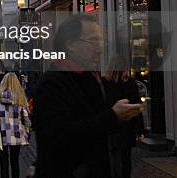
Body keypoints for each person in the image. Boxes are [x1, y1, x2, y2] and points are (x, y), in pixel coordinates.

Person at [33, 15, 144, 177]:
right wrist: (113, 116)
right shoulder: (52, 84)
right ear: (70, 45)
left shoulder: (92, 78)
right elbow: (60, 137)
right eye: (93, 41)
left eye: (100, 41)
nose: (99, 48)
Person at [103, 56, 145, 178]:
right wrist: (139, 130)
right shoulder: (130, 83)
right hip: (127, 125)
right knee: (126, 157)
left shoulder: (105, 82)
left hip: (111, 123)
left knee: (113, 155)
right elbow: (135, 106)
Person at [0, 72, 31, 178]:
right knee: (15, 162)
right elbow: (26, 118)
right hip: (16, 134)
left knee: (3, 163)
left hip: (1, 133)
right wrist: (28, 130)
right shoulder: (20, 98)